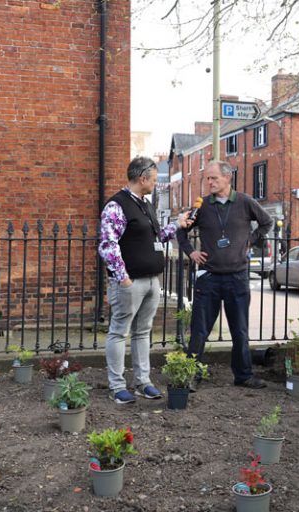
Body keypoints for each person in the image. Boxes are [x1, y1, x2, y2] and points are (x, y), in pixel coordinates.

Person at [99, 156, 190, 404]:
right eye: (153, 178)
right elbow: (108, 245)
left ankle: (143, 382)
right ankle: (117, 387)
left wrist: (177, 225)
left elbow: (157, 236)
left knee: (143, 332)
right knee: (119, 332)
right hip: (130, 282)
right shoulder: (116, 206)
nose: (154, 183)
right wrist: (123, 278)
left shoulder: (145, 204)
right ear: (142, 178)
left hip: (151, 280)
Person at [177, 160, 273, 389]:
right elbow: (181, 232)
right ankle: (191, 375)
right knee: (200, 330)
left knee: (240, 329)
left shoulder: (245, 202)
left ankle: (244, 376)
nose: (209, 182)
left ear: (227, 178)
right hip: (208, 278)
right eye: (207, 178)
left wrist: (250, 240)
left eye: (214, 178)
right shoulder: (202, 207)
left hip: (237, 277)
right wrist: (191, 252)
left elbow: (267, 223)